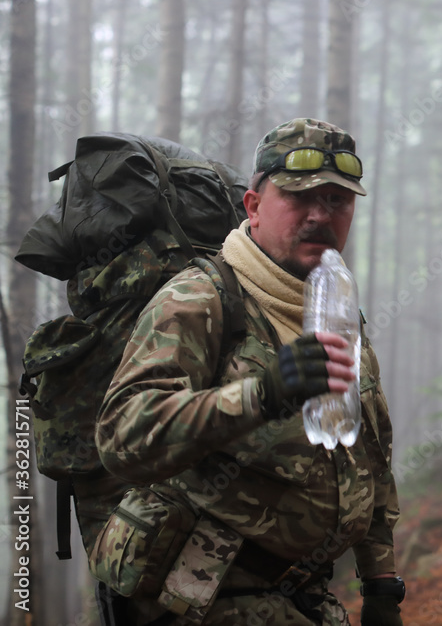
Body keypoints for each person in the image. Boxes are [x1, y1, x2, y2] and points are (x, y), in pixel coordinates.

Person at [97, 118, 404, 626]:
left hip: (304, 595)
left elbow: (369, 454)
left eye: (337, 200)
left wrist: (381, 584)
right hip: (200, 595)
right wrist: (261, 394)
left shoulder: (335, 309)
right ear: (254, 206)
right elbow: (122, 436)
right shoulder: (199, 300)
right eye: (299, 198)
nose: (320, 215)